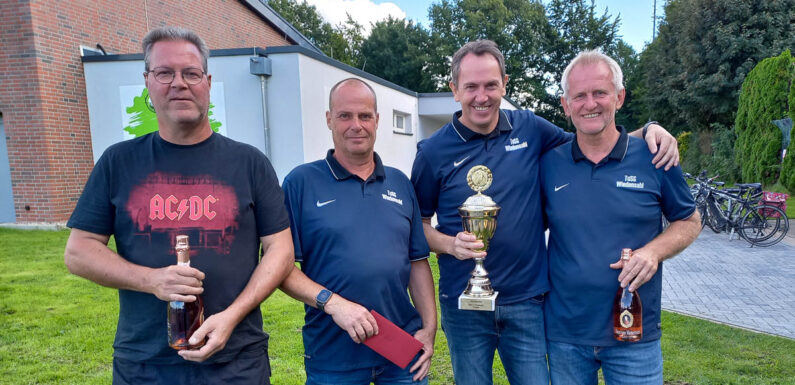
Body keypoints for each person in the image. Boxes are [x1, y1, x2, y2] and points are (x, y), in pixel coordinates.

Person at [410, 40, 680, 385]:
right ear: (454, 90)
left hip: (527, 301)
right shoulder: (432, 152)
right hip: (465, 303)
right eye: (471, 87)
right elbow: (417, 226)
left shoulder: (530, 128)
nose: (482, 96)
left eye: (491, 85)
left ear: (504, 84)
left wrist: (649, 131)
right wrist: (450, 245)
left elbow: (590, 135)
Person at [63, 26, 294, 384]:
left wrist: (233, 315)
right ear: (147, 82)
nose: (178, 83)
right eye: (164, 73)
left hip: (236, 361)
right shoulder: (118, 162)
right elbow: (78, 253)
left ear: (207, 82)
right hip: (145, 364)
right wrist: (152, 280)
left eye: (190, 73)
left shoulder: (249, 162)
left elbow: (280, 249)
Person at [540, 49, 701, 384]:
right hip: (566, 334)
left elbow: (689, 220)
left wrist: (652, 252)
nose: (590, 103)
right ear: (565, 105)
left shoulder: (655, 157)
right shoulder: (549, 164)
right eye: (579, 96)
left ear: (620, 97)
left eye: (600, 92)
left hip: (634, 334)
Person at [280, 78, 437, 385]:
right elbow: (280, 269)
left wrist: (429, 328)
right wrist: (334, 303)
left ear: (377, 120)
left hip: (401, 352)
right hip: (333, 355)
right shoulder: (300, 183)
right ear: (329, 119)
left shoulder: (400, 183)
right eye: (345, 115)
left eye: (365, 116)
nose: (356, 125)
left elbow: (418, 262)